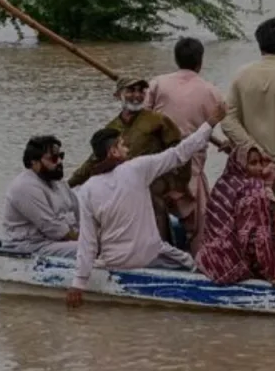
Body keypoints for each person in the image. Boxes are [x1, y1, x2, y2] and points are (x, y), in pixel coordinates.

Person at [67, 102, 227, 308]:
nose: (127, 148)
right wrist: (210, 123)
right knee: (192, 263)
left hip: (115, 261)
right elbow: (180, 153)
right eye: (123, 145)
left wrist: (78, 283)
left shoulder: (87, 189)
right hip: (149, 255)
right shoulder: (137, 169)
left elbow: (87, 243)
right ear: (114, 152)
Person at [68, 77, 190, 244]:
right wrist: (67, 185)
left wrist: (178, 186)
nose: (137, 95)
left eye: (141, 91)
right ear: (118, 95)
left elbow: (181, 152)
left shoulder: (158, 121)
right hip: (123, 181)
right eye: (131, 90)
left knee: (150, 196)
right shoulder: (111, 128)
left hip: (155, 179)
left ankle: (162, 247)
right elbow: (92, 161)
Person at [145, 37, 230, 254]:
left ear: (176, 59)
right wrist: (230, 145)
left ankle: (158, 253)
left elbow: (142, 117)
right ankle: (200, 260)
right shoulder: (211, 92)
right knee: (200, 225)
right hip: (191, 168)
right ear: (200, 62)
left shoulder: (157, 84)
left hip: (158, 165)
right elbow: (228, 125)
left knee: (157, 214)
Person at [222, 17, 275, 202]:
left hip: (252, 168)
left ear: (259, 43)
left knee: (254, 224)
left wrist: (254, 151)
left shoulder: (242, 74)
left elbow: (227, 121)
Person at [195, 146, 275, 285]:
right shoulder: (253, 190)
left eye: (260, 163)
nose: (259, 168)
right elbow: (256, 238)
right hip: (232, 268)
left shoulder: (223, 183)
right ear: (241, 164)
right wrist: (273, 272)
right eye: (253, 163)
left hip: (207, 260)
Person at [3, 135, 79, 258]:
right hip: (31, 246)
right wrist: (85, 240)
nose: (59, 161)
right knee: (88, 248)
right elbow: (52, 227)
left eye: (61, 156)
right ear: (34, 162)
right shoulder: (25, 186)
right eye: (53, 158)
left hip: (57, 242)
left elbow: (78, 213)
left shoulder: (59, 182)